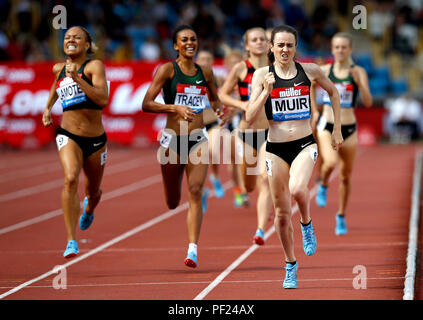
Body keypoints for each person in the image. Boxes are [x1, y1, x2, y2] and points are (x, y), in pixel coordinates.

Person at [246, 25, 343, 289]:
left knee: (299, 189)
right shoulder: (261, 75)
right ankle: (290, 264)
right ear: (271, 47)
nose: (285, 50)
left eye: (289, 45)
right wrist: (265, 91)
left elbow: (333, 92)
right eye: (280, 45)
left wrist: (336, 128)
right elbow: (249, 116)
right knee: (280, 214)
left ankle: (307, 223)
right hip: (275, 147)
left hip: (303, 143)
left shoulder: (309, 71)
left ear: (295, 47)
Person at [142, 25, 223, 268]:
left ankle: (192, 250)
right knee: (173, 202)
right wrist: (174, 108)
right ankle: (176, 200)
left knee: (196, 191)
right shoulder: (168, 69)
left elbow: (215, 97)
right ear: (176, 45)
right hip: (172, 141)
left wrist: (219, 110)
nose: (190, 43)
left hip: (197, 138)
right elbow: (146, 103)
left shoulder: (206, 72)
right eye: (184, 40)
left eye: (193, 39)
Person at [42, 26, 109, 258]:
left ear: (87, 45)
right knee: (70, 178)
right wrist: (48, 108)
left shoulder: (94, 66)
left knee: (94, 190)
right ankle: (71, 240)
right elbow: (55, 85)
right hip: (68, 134)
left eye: (76, 37)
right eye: (67, 37)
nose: (70, 40)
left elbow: (103, 99)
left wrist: (77, 79)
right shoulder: (58, 68)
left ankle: (89, 208)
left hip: (95, 140)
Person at [219, 27, 273, 246]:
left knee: (265, 179)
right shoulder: (241, 68)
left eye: (263, 39)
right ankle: (247, 193)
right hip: (247, 132)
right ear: (247, 45)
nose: (259, 42)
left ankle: (260, 229)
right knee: (250, 185)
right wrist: (240, 104)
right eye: (254, 39)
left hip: (271, 131)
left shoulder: (275, 67)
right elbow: (222, 93)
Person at [314, 32, 372, 235]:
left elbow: (368, 102)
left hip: (349, 128)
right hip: (327, 126)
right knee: (330, 163)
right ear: (332, 49)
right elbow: (311, 86)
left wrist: (361, 83)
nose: (340, 50)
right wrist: (314, 111)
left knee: (346, 176)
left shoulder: (358, 71)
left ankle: (340, 215)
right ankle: (322, 184)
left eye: (344, 47)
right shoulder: (324, 70)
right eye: (336, 47)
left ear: (350, 50)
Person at [195, 49, 225, 212]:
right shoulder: (191, 79)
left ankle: (214, 176)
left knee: (212, 151)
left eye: (208, 59)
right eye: (202, 59)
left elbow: (228, 94)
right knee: (196, 163)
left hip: (213, 122)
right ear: (197, 61)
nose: (205, 62)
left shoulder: (217, 78)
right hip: (195, 125)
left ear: (213, 61)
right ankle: (203, 191)